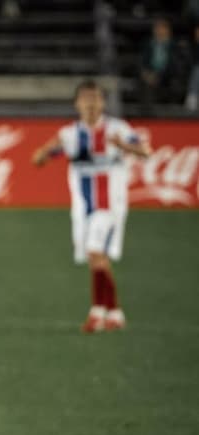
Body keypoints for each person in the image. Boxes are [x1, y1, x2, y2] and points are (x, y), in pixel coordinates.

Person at [32, 79, 151, 333]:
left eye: (95, 97)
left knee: (95, 251)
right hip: (83, 208)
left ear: (103, 102)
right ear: (77, 103)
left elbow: (146, 151)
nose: (90, 102)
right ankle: (116, 313)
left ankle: (97, 311)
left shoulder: (117, 129)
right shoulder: (70, 135)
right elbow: (38, 160)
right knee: (96, 258)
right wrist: (45, 153)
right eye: (85, 98)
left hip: (109, 205)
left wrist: (123, 146)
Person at [139, 18, 181, 113]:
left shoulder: (174, 45)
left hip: (168, 75)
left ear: (168, 30)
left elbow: (175, 65)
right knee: (144, 82)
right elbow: (142, 62)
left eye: (161, 28)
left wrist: (160, 75)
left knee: (174, 83)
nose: (159, 31)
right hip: (151, 75)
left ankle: (172, 114)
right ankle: (148, 114)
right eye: (157, 28)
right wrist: (146, 74)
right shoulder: (149, 44)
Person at [184, 24, 199, 111]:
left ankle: (193, 95)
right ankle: (192, 96)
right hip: (192, 71)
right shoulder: (192, 46)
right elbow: (190, 61)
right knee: (197, 70)